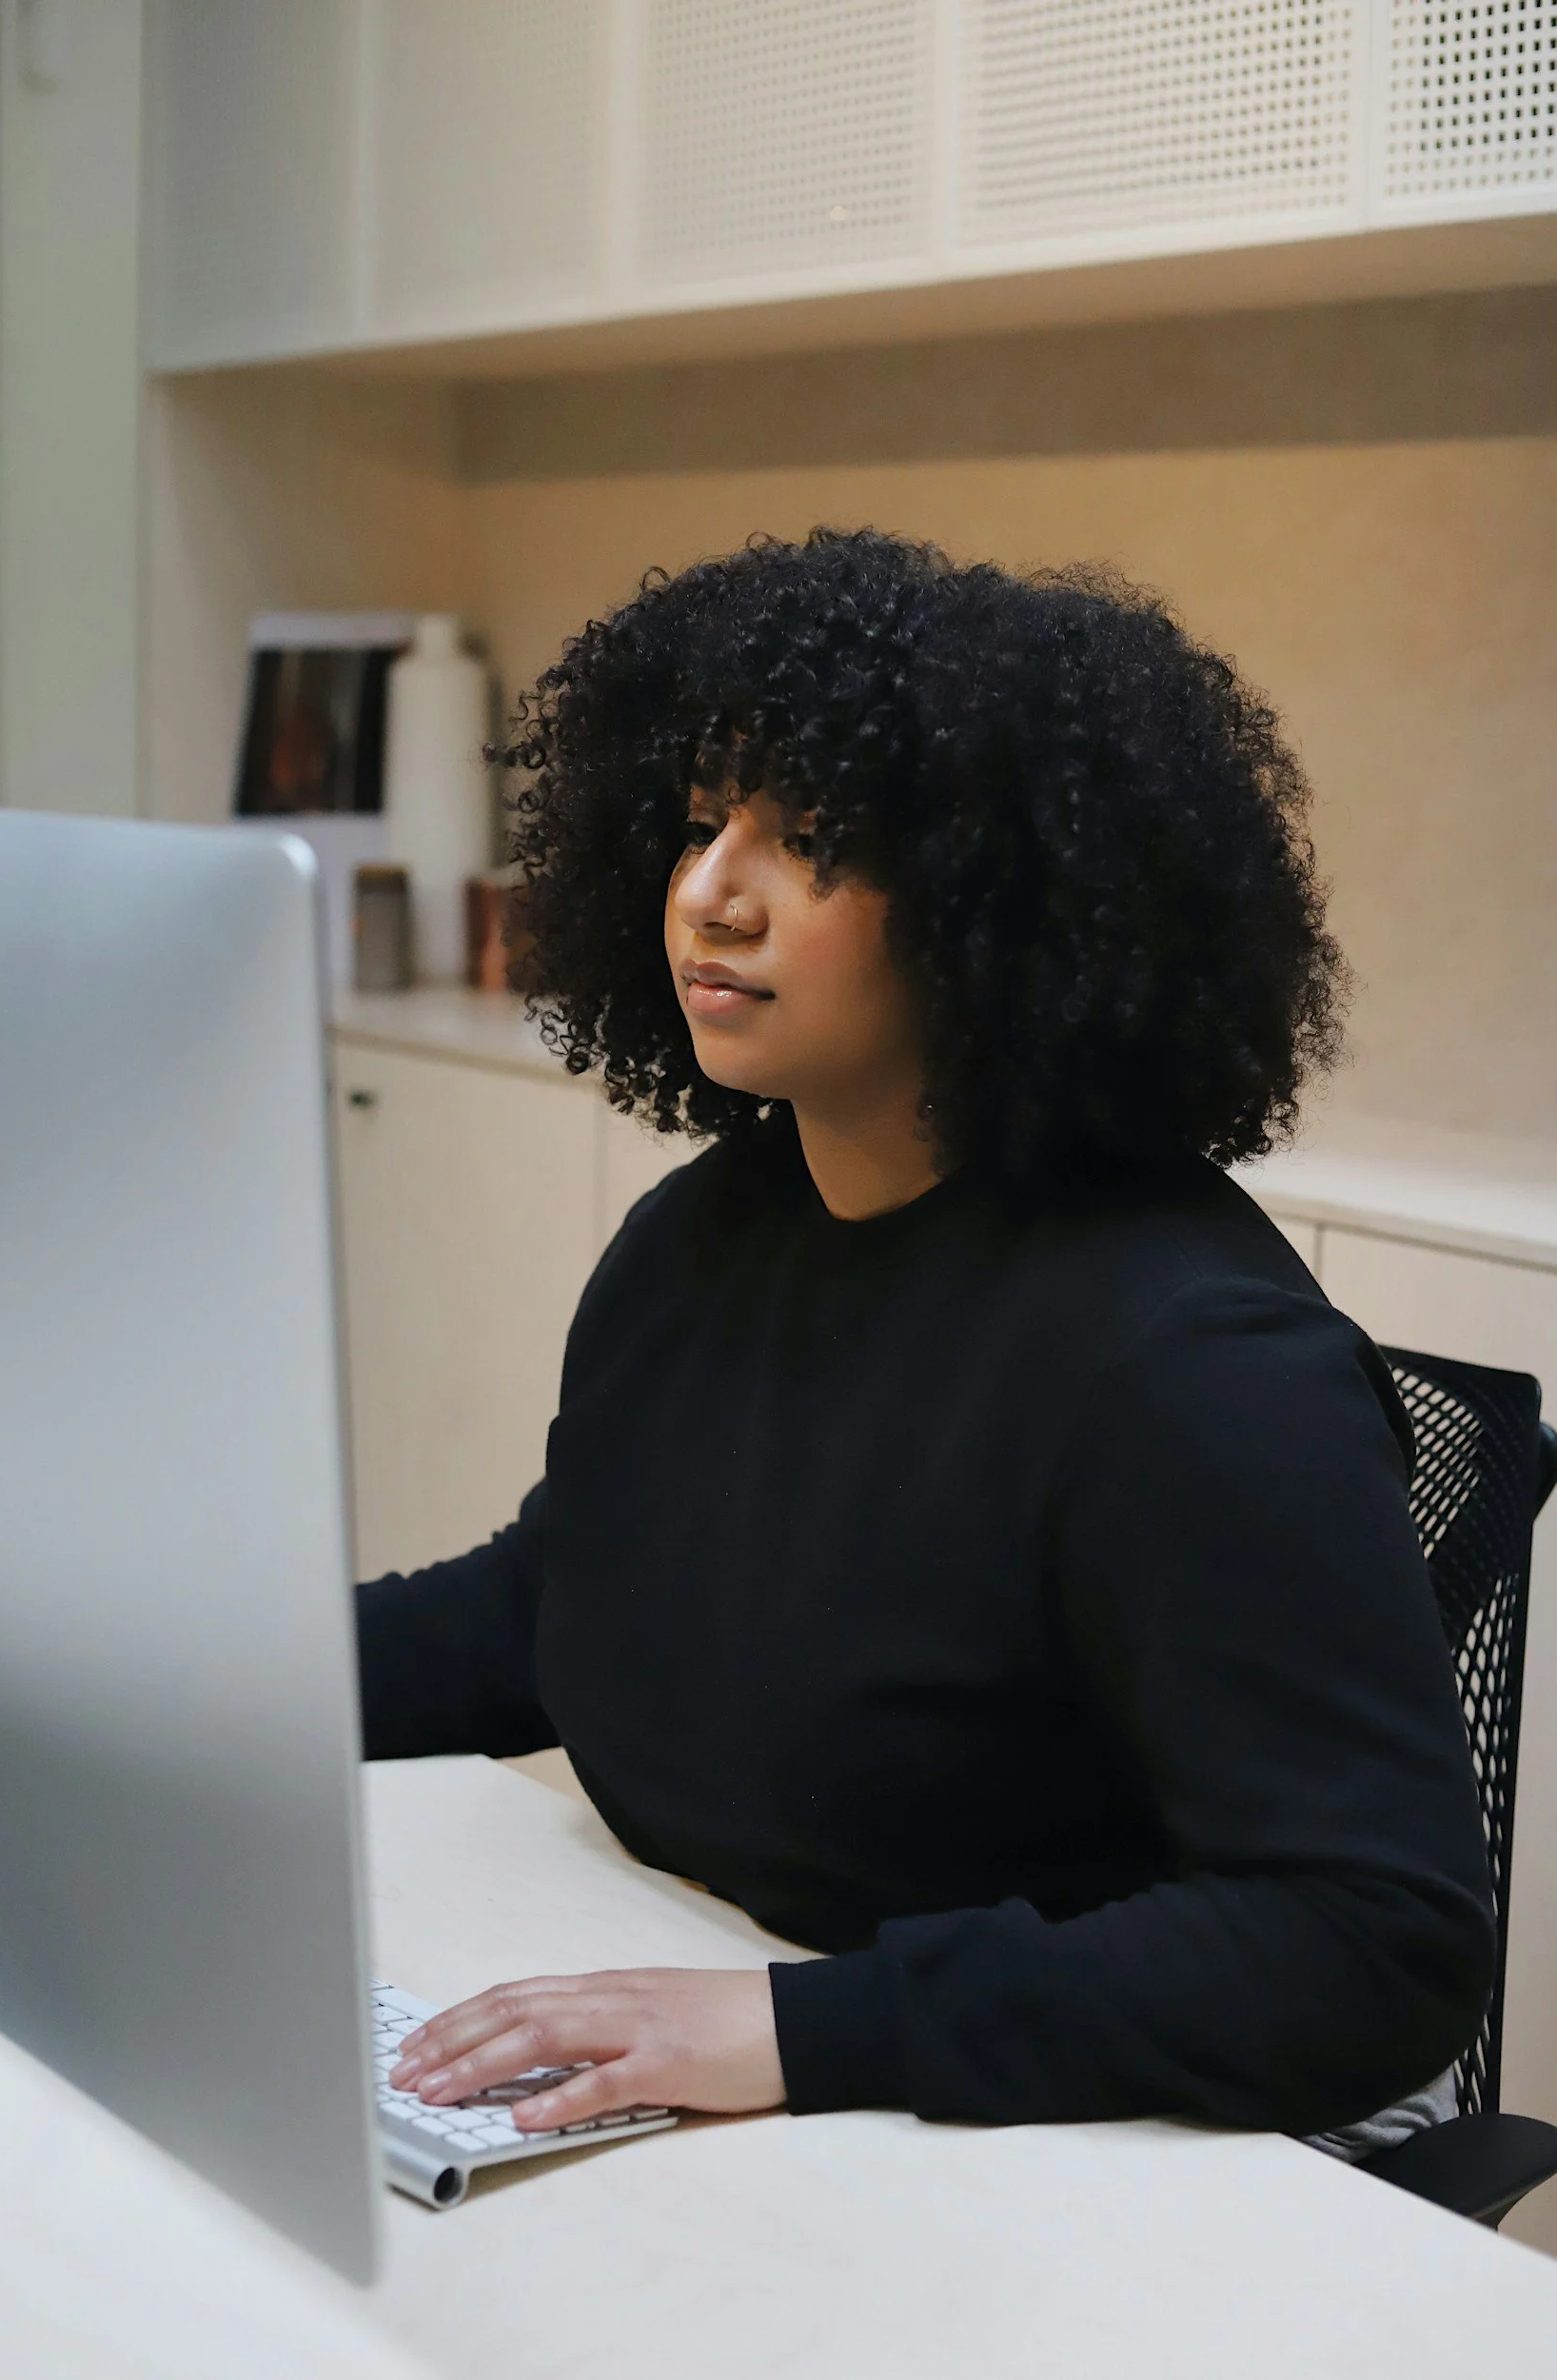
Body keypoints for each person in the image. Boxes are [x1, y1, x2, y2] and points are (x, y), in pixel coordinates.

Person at [361, 527, 1492, 2157]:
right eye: (697, 823)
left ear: (996, 904)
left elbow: (1370, 1943)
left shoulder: (1193, 1365)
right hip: (800, 2077)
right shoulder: (706, 1237)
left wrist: (780, 2030)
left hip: (1096, 2151)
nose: (710, 894)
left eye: (809, 841)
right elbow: (565, 1598)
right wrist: (164, 1659)